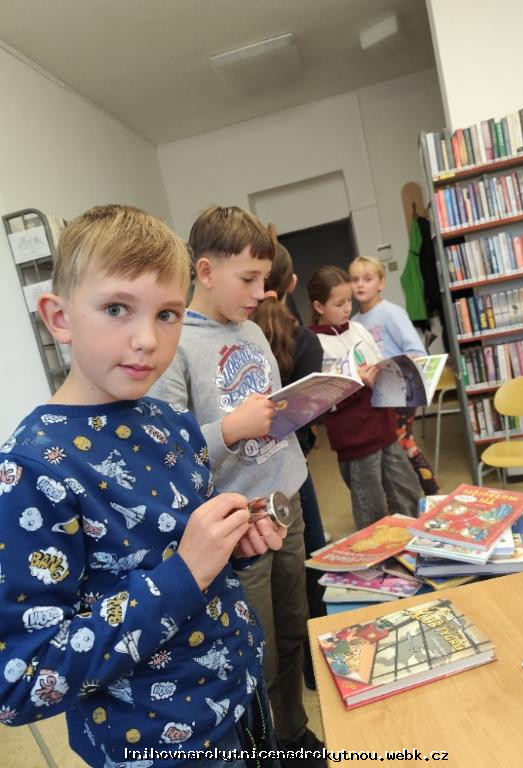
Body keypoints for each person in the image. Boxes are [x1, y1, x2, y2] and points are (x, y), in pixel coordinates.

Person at [0, 205, 290, 768]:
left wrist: (233, 544)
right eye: (116, 309)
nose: (146, 339)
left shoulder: (173, 424)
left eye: (167, 314)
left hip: (240, 699)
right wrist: (184, 574)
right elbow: (21, 681)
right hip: (158, 746)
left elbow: (186, 555)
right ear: (59, 318)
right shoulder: (32, 469)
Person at [150, 206, 324, 765]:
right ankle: (265, 748)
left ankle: (293, 732)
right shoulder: (174, 344)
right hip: (239, 526)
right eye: (248, 278)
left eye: (264, 278)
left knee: (294, 630)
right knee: (258, 650)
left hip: (286, 499)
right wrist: (231, 428)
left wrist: (304, 405)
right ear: (204, 271)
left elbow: (268, 412)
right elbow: (165, 452)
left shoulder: (250, 329)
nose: (260, 292)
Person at [250, 242, 326, 690]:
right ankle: (312, 672)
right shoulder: (302, 339)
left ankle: (295, 692)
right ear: (292, 284)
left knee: (287, 593)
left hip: (276, 470)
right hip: (284, 475)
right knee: (308, 564)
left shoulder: (251, 335)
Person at [307, 265, 422, 529]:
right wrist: (359, 382)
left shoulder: (358, 329)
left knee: (409, 495)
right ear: (319, 306)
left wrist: (387, 373)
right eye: (339, 303)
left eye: (349, 300)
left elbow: (380, 363)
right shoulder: (314, 343)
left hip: (384, 428)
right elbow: (323, 400)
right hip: (355, 441)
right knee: (373, 513)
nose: (347, 308)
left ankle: (420, 545)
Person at [349, 255, 440, 495]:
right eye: (355, 279)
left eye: (367, 279)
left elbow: (417, 352)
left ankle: (433, 494)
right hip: (377, 395)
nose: (360, 284)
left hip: (402, 391)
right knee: (391, 450)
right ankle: (405, 498)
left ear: (381, 283)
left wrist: (386, 366)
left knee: (404, 443)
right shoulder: (354, 323)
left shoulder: (391, 312)